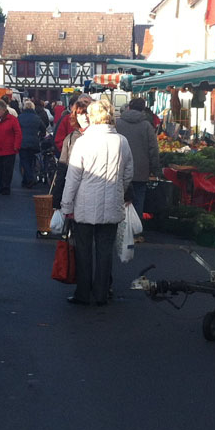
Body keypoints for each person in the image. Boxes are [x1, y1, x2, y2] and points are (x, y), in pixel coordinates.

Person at [60, 100, 133, 307]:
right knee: (104, 251)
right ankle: (101, 293)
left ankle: (83, 293)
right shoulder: (122, 141)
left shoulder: (84, 142)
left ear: (93, 117)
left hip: (84, 205)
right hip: (112, 204)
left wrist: (66, 206)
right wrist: (118, 189)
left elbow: (73, 178)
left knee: (83, 251)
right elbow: (128, 173)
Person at [115, 97, 161, 221]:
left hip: (120, 168)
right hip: (141, 170)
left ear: (129, 107)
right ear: (143, 110)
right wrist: (156, 170)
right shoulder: (146, 126)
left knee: (119, 198)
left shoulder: (117, 123)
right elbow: (153, 149)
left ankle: (120, 228)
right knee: (138, 200)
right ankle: (135, 231)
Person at [51, 94, 93, 209]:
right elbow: (58, 140)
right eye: (83, 102)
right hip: (70, 165)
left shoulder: (96, 128)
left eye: (87, 103)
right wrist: (68, 153)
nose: (85, 106)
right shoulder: (66, 121)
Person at [0, 100, 22, 195]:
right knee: (0, 169)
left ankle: (6, 187)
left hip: (9, 149)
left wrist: (16, 145)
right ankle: (2, 186)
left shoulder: (12, 119)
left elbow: (18, 133)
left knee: (8, 169)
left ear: (3, 110)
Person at [17, 100, 45, 188]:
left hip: (22, 142)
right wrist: (40, 136)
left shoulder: (20, 117)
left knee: (24, 161)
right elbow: (43, 128)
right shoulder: (37, 117)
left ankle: (30, 179)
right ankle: (26, 181)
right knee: (31, 161)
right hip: (34, 142)